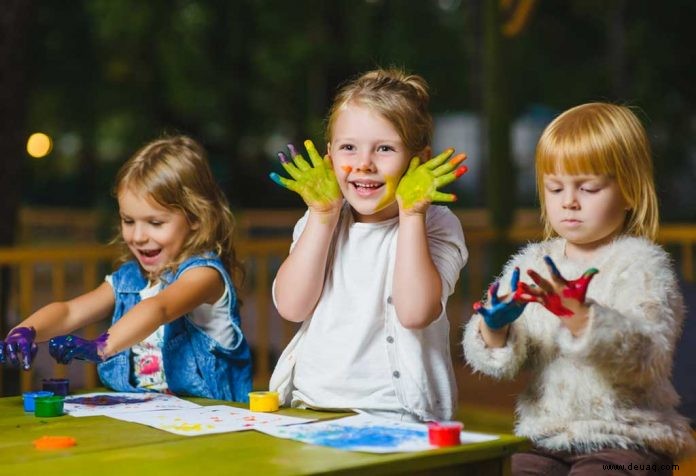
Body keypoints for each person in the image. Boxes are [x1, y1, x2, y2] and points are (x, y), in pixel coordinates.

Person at [462, 102, 695, 474]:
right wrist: (493, 327)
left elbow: (647, 358)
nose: (568, 201)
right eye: (555, 188)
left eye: (587, 187)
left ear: (631, 191)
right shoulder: (532, 263)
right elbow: (499, 360)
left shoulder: (642, 266)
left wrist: (585, 319)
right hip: (545, 437)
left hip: (630, 441)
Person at [268, 68, 469, 422]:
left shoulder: (437, 224)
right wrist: (322, 216)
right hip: (309, 407)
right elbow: (291, 306)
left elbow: (414, 312)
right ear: (330, 157)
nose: (363, 164)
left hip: (400, 415)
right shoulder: (319, 217)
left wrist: (411, 215)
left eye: (385, 149)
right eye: (349, 148)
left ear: (418, 160)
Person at [0, 136, 252, 402]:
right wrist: (25, 331)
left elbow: (159, 308)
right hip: (150, 421)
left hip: (215, 425)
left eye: (155, 222)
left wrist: (100, 347)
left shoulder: (204, 276)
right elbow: (69, 311)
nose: (139, 236)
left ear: (196, 218)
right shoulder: (128, 280)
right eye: (128, 220)